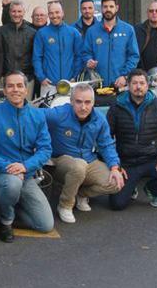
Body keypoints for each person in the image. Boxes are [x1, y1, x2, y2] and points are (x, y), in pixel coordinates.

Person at [0, 71, 53, 242]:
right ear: (5, 90)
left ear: (26, 89)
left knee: (45, 225)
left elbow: (45, 149)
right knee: (12, 183)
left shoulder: (37, 116)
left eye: (19, 85)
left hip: (27, 174)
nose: (15, 90)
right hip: (2, 174)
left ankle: (5, 205)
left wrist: (25, 166)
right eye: (10, 86)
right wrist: (7, 166)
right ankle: (6, 219)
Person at [107, 69, 157, 210]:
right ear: (128, 85)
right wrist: (115, 165)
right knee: (117, 204)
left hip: (151, 159)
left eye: (142, 83)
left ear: (147, 85)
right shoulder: (116, 106)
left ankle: (152, 190)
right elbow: (105, 137)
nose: (138, 86)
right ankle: (130, 187)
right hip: (126, 163)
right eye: (134, 83)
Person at [44, 83, 123, 223]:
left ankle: (80, 194)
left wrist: (115, 167)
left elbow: (106, 145)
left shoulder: (99, 119)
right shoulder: (59, 114)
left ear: (93, 102)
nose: (83, 107)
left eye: (88, 102)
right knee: (79, 166)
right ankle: (65, 205)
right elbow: (33, 115)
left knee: (116, 182)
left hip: (88, 160)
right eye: (79, 102)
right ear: (71, 102)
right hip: (61, 161)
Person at [82, 0, 139, 88]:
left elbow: (134, 56)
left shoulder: (128, 30)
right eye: (105, 6)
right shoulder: (92, 31)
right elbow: (85, 53)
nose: (108, 9)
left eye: (111, 6)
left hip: (120, 84)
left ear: (116, 8)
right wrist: (88, 60)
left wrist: (125, 76)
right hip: (98, 84)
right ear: (101, 8)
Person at [33, 1, 83, 96]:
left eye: (57, 12)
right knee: (48, 110)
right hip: (49, 84)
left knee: (69, 110)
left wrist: (75, 76)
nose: (54, 15)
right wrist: (41, 77)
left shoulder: (73, 33)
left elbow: (79, 56)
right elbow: (37, 57)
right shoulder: (41, 33)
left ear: (62, 13)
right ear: (48, 15)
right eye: (51, 13)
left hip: (69, 84)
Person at [0, 0, 36, 97]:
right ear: (10, 12)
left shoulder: (32, 33)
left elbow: (35, 56)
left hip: (26, 79)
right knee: (5, 109)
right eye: (14, 11)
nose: (16, 14)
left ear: (24, 12)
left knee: (25, 108)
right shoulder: (2, 31)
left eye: (19, 11)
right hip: (6, 79)